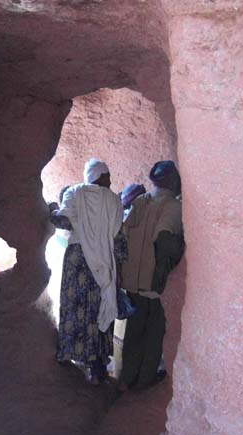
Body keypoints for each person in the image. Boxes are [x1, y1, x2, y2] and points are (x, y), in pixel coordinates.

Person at [49, 159, 126, 385]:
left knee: (75, 307)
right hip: (103, 261)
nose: (110, 180)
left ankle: (69, 354)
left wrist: (51, 209)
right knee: (98, 308)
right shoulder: (113, 200)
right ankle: (97, 368)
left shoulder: (74, 192)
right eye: (107, 175)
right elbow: (119, 238)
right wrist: (119, 269)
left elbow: (63, 220)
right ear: (99, 176)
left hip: (78, 260)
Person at [119, 160, 184, 391]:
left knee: (134, 332)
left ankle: (126, 379)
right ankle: (144, 381)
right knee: (153, 335)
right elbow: (164, 240)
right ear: (173, 181)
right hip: (153, 283)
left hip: (133, 282)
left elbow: (123, 235)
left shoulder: (139, 200)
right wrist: (180, 253)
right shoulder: (173, 207)